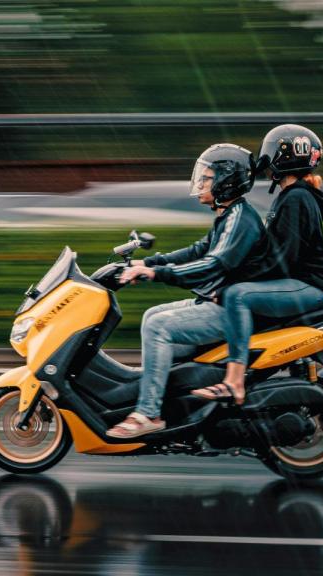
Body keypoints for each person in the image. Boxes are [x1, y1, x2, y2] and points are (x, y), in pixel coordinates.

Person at [106, 143, 270, 439]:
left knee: (159, 326)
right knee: (153, 315)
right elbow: (197, 250)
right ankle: (173, 399)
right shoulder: (229, 214)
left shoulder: (241, 220)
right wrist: (148, 262)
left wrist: (156, 273)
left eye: (208, 178)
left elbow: (211, 265)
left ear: (227, 180)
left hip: (230, 311)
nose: (201, 183)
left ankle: (148, 413)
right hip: (219, 301)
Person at [191, 124, 323, 404]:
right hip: (304, 283)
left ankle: (234, 382)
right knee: (235, 291)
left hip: (312, 286)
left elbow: (282, 259)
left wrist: (232, 282)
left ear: (280, 155)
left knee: (238, 296)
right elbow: (273, 254)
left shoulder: (296, 198)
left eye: (269, 149)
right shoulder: (292, 196)